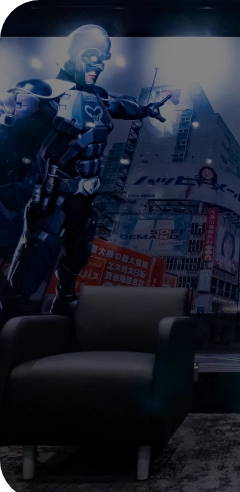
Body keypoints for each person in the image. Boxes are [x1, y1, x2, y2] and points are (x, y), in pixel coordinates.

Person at [0, 24, 170, 323]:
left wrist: (148, 109)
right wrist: (10, 108)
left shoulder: (99, 97)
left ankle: (64, 300)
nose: (99, 65)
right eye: (93, 56)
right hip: (53, 194)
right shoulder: (44, 91)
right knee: (37, 253)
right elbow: (15, 103)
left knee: (77, 256)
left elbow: (124, 107)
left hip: (85, 196)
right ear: (74, 54)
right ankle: (11, 318)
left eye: (104, 59)